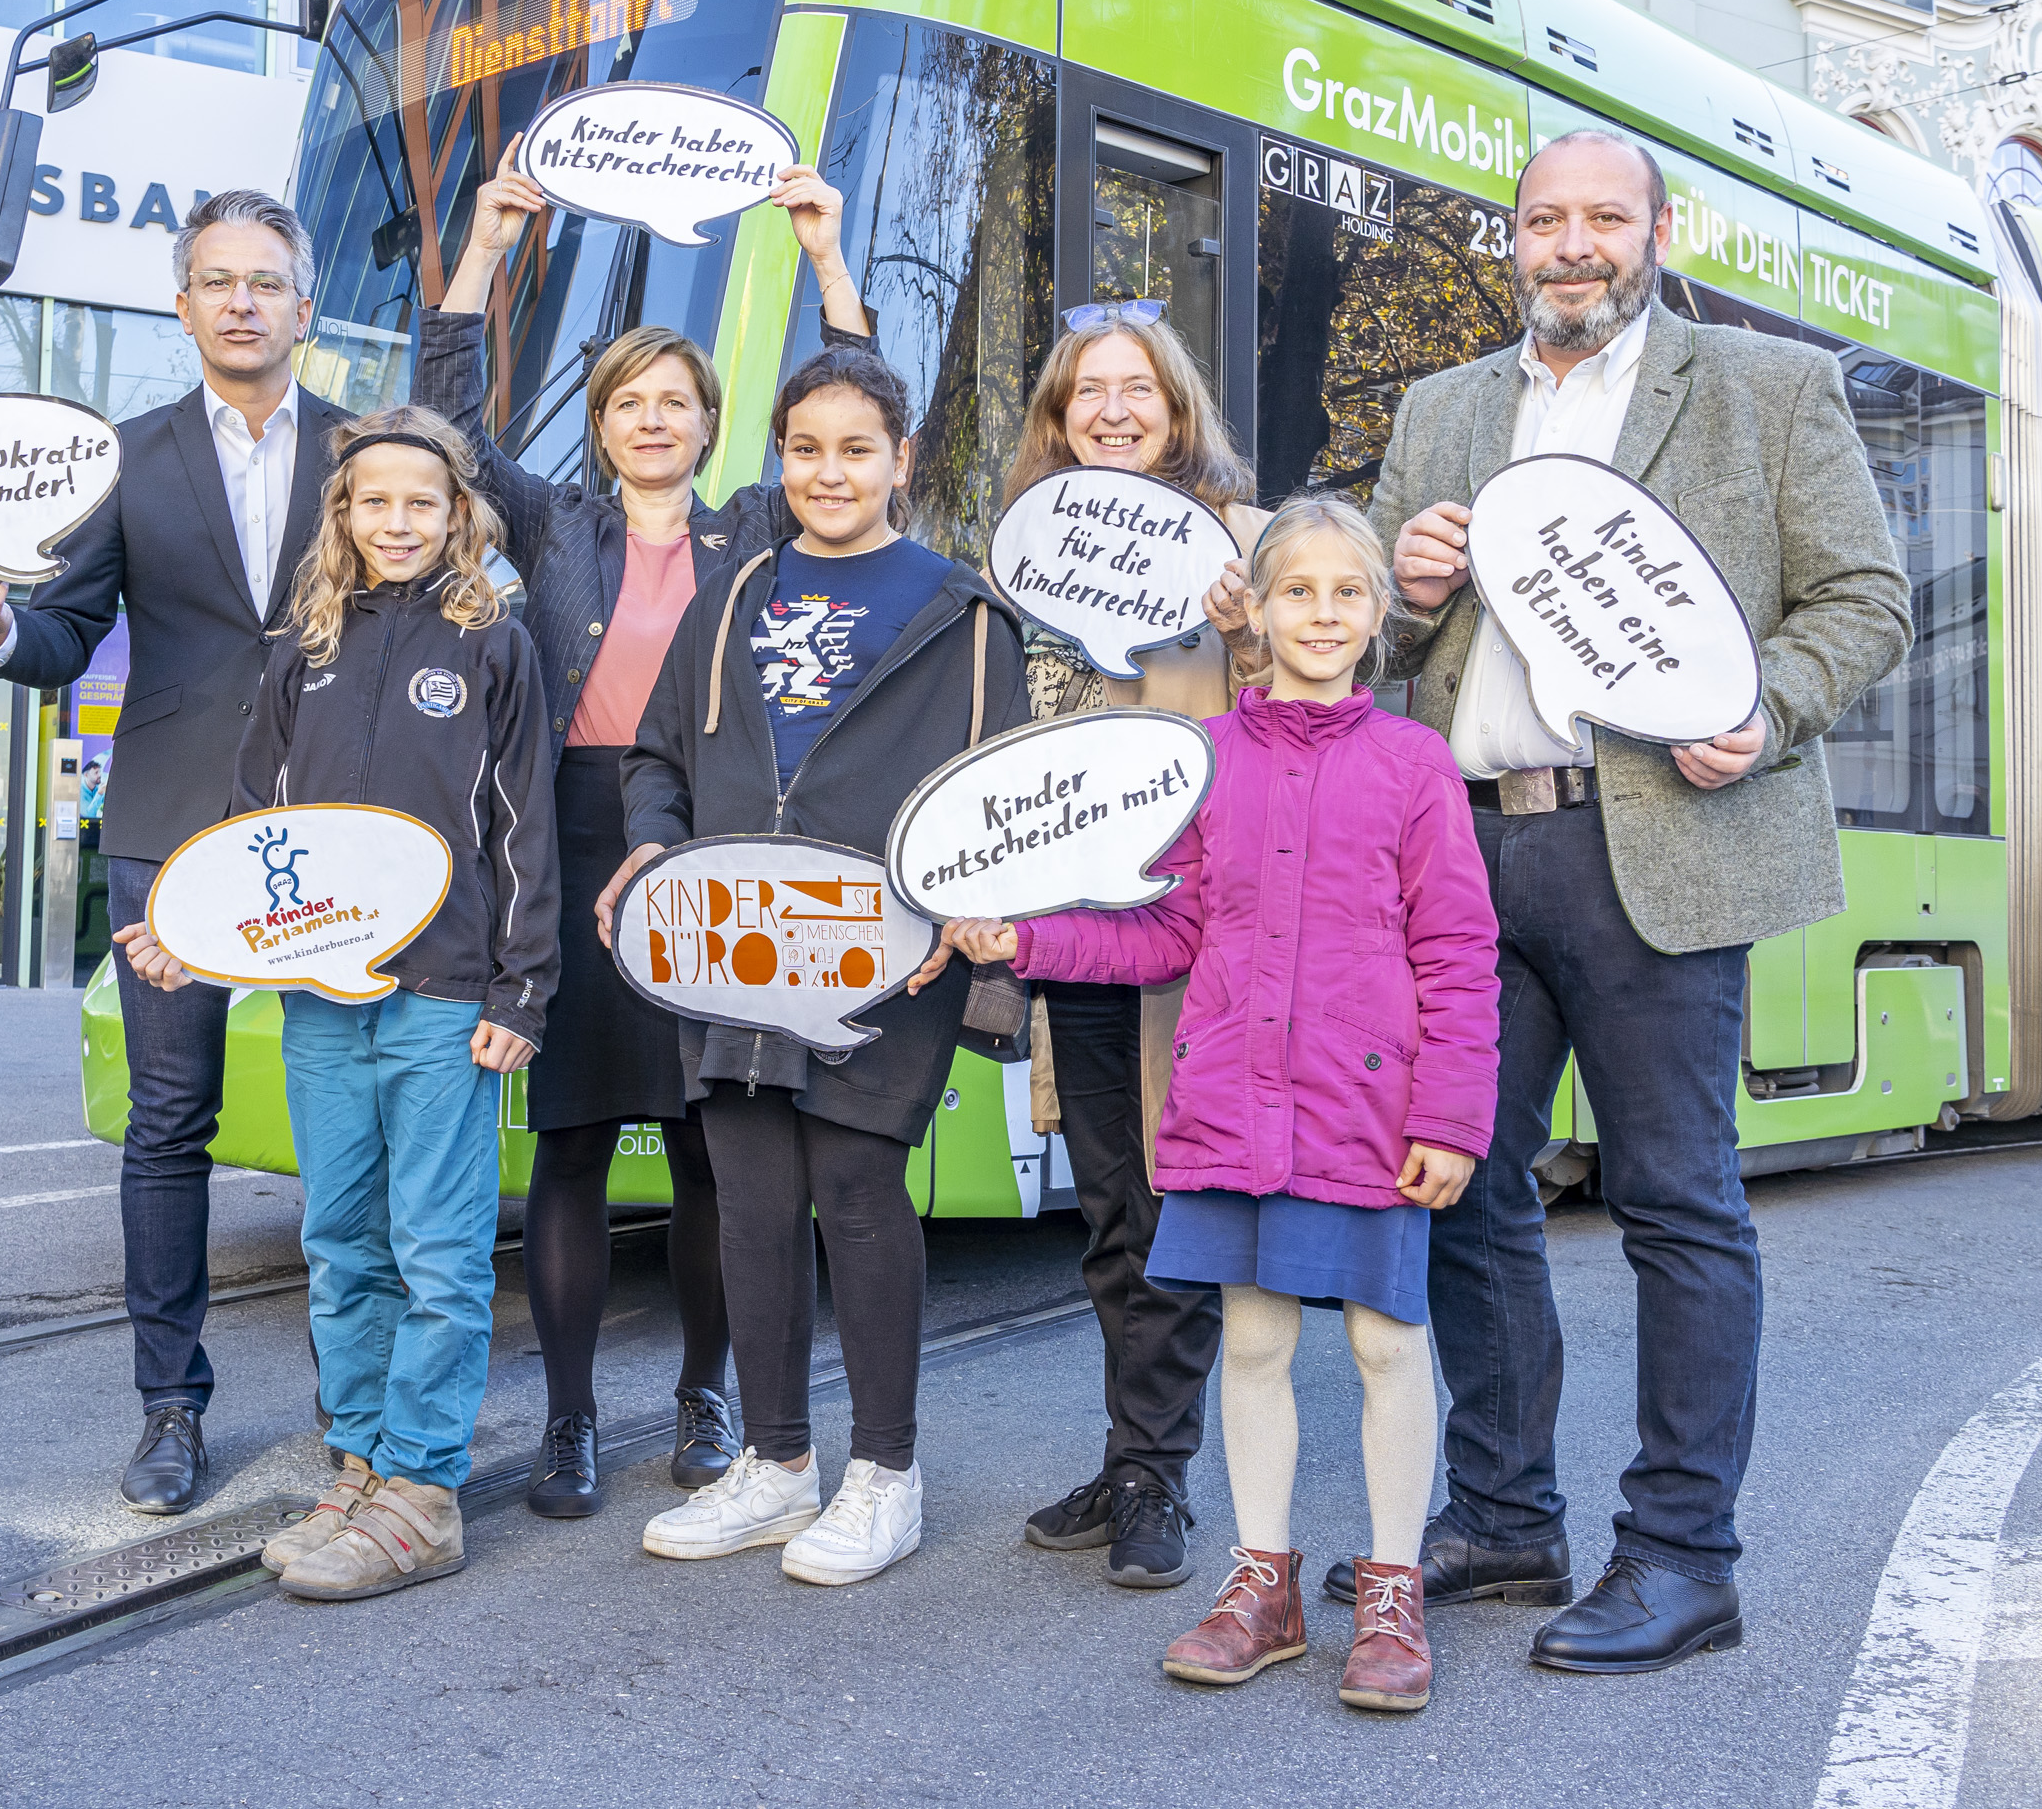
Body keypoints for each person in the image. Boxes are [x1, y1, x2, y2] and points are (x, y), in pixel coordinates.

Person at [1365, 128, 1913, 1672]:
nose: (1573, 244)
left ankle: (1682, 1554)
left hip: (1660, 839)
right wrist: (1405, 594)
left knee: (1675, 1199)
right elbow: (1395, 659)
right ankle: (1503, 1511)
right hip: (1472, 853)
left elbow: (1865, 598)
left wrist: (1775, 703)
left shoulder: (1762, 391)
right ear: (1513, 242)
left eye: (1604, 216)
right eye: (1545, 220)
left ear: (1659, 231)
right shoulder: (1443, 409)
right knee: (1465, 1185)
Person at [916, 497, 1498, 1707]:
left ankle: (1392, 1594)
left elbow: (1456, 947)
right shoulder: (1206, 760)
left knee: (1388, 1341)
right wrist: (1019, 934)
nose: (1323, 612)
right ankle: (1263, 1583)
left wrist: (1450, 1117)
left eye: (1348, 591)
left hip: (1369, 1107)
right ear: (1258, 611)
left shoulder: (1416, 764)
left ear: (1378, 614)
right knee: (1254, 1338)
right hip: (1235, 1095)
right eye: (1299, 591)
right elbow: (1163, 930)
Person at [424, 146, 875, 1520]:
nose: (652, 419)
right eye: (629, 401)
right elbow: (444, 420)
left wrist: (823, 257)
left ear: (708, 422)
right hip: (565, 829)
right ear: (605, 425)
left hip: (710, 834)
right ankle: (566, 1423)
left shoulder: (756, 528)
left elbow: (864, 413)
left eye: (676, 401)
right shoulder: (549, 524)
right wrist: (489, 246)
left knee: (705, 1140)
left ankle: (704, 1394)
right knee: (566, 1139)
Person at [0, 190, 353, 1517]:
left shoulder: (369, 452)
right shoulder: (118, 460)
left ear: (304, 305)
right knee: (171, 1124)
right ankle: (169, 1409)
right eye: (215, 281)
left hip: (338, 832)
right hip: (170, 833)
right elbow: (61, 638)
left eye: (265, 280)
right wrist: (0, 626)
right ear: (183, 307)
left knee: (351, 1120)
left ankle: (357, 1396)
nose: (241, 301)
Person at [597, 345, 1031, 1587]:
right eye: (804, 448)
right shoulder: (729, 596)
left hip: (882, 956)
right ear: (775, 458)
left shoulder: (964, 612)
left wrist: (966, 912)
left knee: (856, 1189)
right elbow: (658, 760)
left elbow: (1000, 790)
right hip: (730, 942)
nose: (827, 472)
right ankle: (777, 1461)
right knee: (745, 1196)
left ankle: (884, 1473)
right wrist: (651, 849)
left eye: (856, 449)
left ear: (902, 459)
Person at [124, 403, 558, 1601]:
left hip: (444, 997)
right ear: (344, 514)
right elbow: (255, 830)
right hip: (322, 998)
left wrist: (522, 990)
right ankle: (359, 1458)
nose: (399, 520)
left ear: (459, 514)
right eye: (375, 501)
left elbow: (525, 831)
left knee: (439, 1248)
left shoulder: (493, 645)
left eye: (423, 501)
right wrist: (187, 938)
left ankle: (424, 1487)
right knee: (340, 1243)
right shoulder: (300, 646)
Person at [997, 304, 1270, 1591]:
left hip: (1191, 937)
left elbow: (1317, 705)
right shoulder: (1020, 566)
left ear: (1176, 410)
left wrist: (1252, 631)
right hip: (1070, 928)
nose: (1110, 409)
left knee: (1170, 1200)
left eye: (1136, 389)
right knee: (1108, 1204)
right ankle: (1133, 1452)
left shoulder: (1242, 551)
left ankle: (1160, 1475)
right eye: (1084, 392)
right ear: (1056, 419)